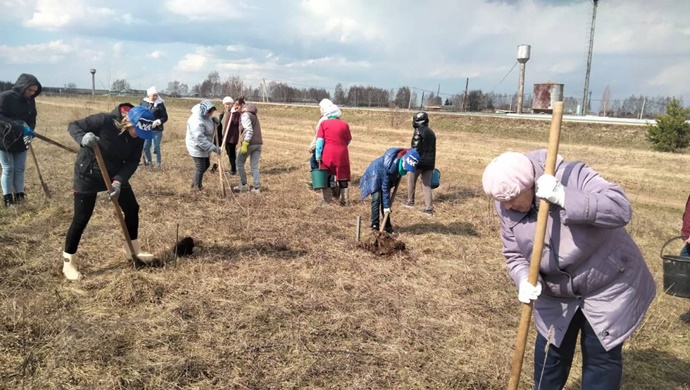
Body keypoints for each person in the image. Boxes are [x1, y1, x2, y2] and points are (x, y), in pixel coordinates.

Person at [482, 150, 656, 389]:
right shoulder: (506, 204)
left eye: (512, 198)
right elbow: (514, 254)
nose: (508, 206)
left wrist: (565, 197)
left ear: (530, 184)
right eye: (502, 201)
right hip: (556, 293)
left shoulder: (573, 175)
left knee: (600, 358)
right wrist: (523, 279)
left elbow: (620, 209)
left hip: (607, 285)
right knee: (549, 357)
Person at [62, 104, 156, 280]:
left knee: (132, 208)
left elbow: (132, 161)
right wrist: (83, 138)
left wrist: (119, 181)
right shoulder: (104, 120)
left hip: (115, 174)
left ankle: (133, 251)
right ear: (128, 122)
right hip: (88, 173)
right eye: (136, 131)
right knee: (81, 218)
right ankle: (69, 263)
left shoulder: (139, 135)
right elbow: (73, 125)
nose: (139, 136)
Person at [0, 73, 41, 207]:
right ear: (23, 86)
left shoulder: (30, 100)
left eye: (34, 91)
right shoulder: (5, 97)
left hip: (22, 139)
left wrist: (30, 130)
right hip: (4, 138)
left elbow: (32, 117)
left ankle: (20, 195)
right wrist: (18, 126)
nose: (31, 93)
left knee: (20, 168)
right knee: (8, 168)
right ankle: (8, 199)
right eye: (30, 90)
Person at [359, 148, 419, 234]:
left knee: (385, 203)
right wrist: (387, 207)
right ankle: (375, 226)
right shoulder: (391, 167)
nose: (406, 170)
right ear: (404, 161)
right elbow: (385, 188)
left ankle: (387, 226)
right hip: (374, 174)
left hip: (384, 177)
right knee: (376, 199)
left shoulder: (399, 164)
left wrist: (386, 207)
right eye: (406, 167)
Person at [315, 100, 351, 205]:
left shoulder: (324, 123)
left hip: (327, 152)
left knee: (325, 175)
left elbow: (320, 141)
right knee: (342, 175)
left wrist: (318, 154)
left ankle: (327, 199)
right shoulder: (345, 125)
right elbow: (348, 140)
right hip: (342, 153)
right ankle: (345, 200)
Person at [402, 112, 436, 216]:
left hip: (418, 162)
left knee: (411, 181)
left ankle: (410, 201)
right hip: (430, 163)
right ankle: (428, 208)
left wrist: (409, 161)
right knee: (427, 185)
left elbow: (415, 150)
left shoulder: (418, 131)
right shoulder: (431, 132)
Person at [185, 100, 220, 191]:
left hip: (205, 145)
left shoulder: (205, 114)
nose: (210, 115)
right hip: (196, 145)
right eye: (210, 113)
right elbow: (199, 138)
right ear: (204, 111)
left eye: (212, 113)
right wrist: (213, 148)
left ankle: (195, 182)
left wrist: (213, 120)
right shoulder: (196, 120)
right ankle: (197, 187)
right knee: (200, 167)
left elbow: (208, 121)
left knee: (207, 164)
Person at [233, 97, 262, 194]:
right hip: (258, 144)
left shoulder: (245, 115)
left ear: (241, 105)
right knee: (254, 167)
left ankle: (244, 184)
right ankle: (257, 188)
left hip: (249, 143)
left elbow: (249, 130)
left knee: (239, 162)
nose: (236, 109)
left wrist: (245, 143)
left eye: (237, 107)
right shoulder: (252, 112)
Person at [139, 86, 168, 168]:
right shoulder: (144, 102)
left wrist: (158, 121)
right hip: (146, 129)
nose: (155, 97)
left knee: (156, 148)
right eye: (153, 95)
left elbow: (165, 117)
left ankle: (157, 165)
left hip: (156, 130)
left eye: (156, 95)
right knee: (146, 147)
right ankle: (148, 163)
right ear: (149, 95)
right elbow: (139, 112)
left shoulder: (160, 104)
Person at [217, 96, 240, 175]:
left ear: (232, 104)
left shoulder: (235, 113)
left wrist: (233, 114)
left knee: (232, 153)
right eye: (226, 104)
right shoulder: (224, 113)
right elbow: (221, 123)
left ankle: (233, 170)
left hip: (231, 136)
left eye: (229, 104)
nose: (227, 106)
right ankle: (230, 167)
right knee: (228, 152)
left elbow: (236, 122)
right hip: (224, 136)